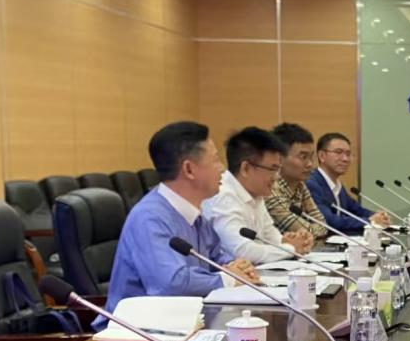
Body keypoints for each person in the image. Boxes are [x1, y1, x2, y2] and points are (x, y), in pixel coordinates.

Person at [105, 121, 259, 312]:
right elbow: (170, 284)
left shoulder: (194, 214)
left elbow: (216, 256)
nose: (222, 169)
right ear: (189, 170)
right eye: (215, 160)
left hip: (185, 318)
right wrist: (229, 278)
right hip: (137, 326)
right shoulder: (149, 218)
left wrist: (237, 266)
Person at [203, 127, 315, 264]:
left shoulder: (256, 192)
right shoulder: (222, 196)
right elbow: (240, 251)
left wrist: (292, 242)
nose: (277, 176)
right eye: (272, 169)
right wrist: (291, 248)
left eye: (278, 169)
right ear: (246, 169)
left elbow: (270, 235)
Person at [307, 132, 391, 232]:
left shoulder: (337, 185)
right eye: (338, 152)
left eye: (348, 154)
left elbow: (356, 210)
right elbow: (329, 221)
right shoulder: (312, 184)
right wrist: (370, 221)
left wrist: (378, 216)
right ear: (322, 156)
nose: (345, 159)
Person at [266, 122, 329, 240]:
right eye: (303, 157)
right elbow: (304, 231)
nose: (310, 164)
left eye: (311, 157)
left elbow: (323, 227)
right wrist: (314, 230)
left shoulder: (300, 185)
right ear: (279, 158)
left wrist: (314, 229)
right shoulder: (270, 190)